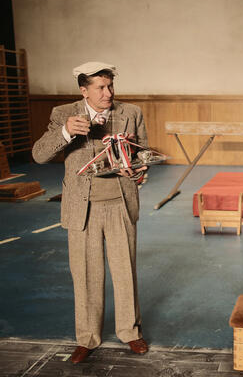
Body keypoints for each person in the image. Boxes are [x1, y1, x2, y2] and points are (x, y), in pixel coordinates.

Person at [32, 62, 149, 363]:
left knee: (125, 273)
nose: (108, 93)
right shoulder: (63, 114)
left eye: (110, 86)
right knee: (85, 275)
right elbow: (39, 155)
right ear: (84, 90)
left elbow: (142, 154)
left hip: (120, 203)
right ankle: (87, 338)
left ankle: (130, 332)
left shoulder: (131, 113)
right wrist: (65, 132)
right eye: (100, 88)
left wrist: (140, 170)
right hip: (82, 208)